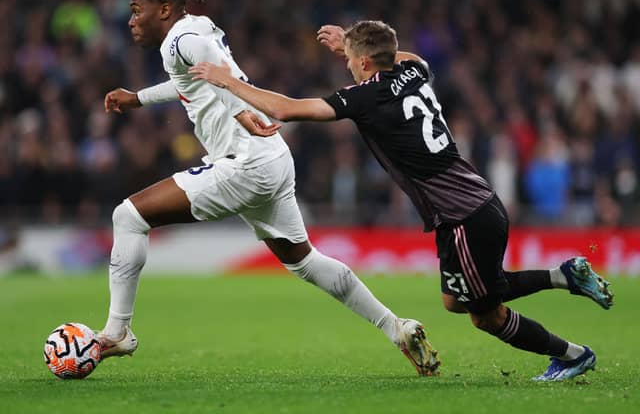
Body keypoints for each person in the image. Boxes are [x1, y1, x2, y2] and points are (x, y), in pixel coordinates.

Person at [189, 20, 614, 382]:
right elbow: (399, 55)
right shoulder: (414, 71)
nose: (348, 67)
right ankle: (564, 277)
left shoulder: (366, 96)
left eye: (349, 60)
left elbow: (287, 109)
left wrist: (228, 81)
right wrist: (354, 42)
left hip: (462, 215)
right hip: (471, 202)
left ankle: (573, 353)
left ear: (366, 62)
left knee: (485, 313)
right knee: (456, 300)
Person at [97, 0, 440, 377]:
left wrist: (241, 109)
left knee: (129, 216)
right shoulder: (196, 27)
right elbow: (191, 78)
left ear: (165, 10)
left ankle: (118, 330)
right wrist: (138, 98)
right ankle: (396, 327)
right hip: (273, 159)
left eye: (138, 11)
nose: (132, 20)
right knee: (305, 261)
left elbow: (215, 65)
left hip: (244, 161)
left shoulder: (181, 39)